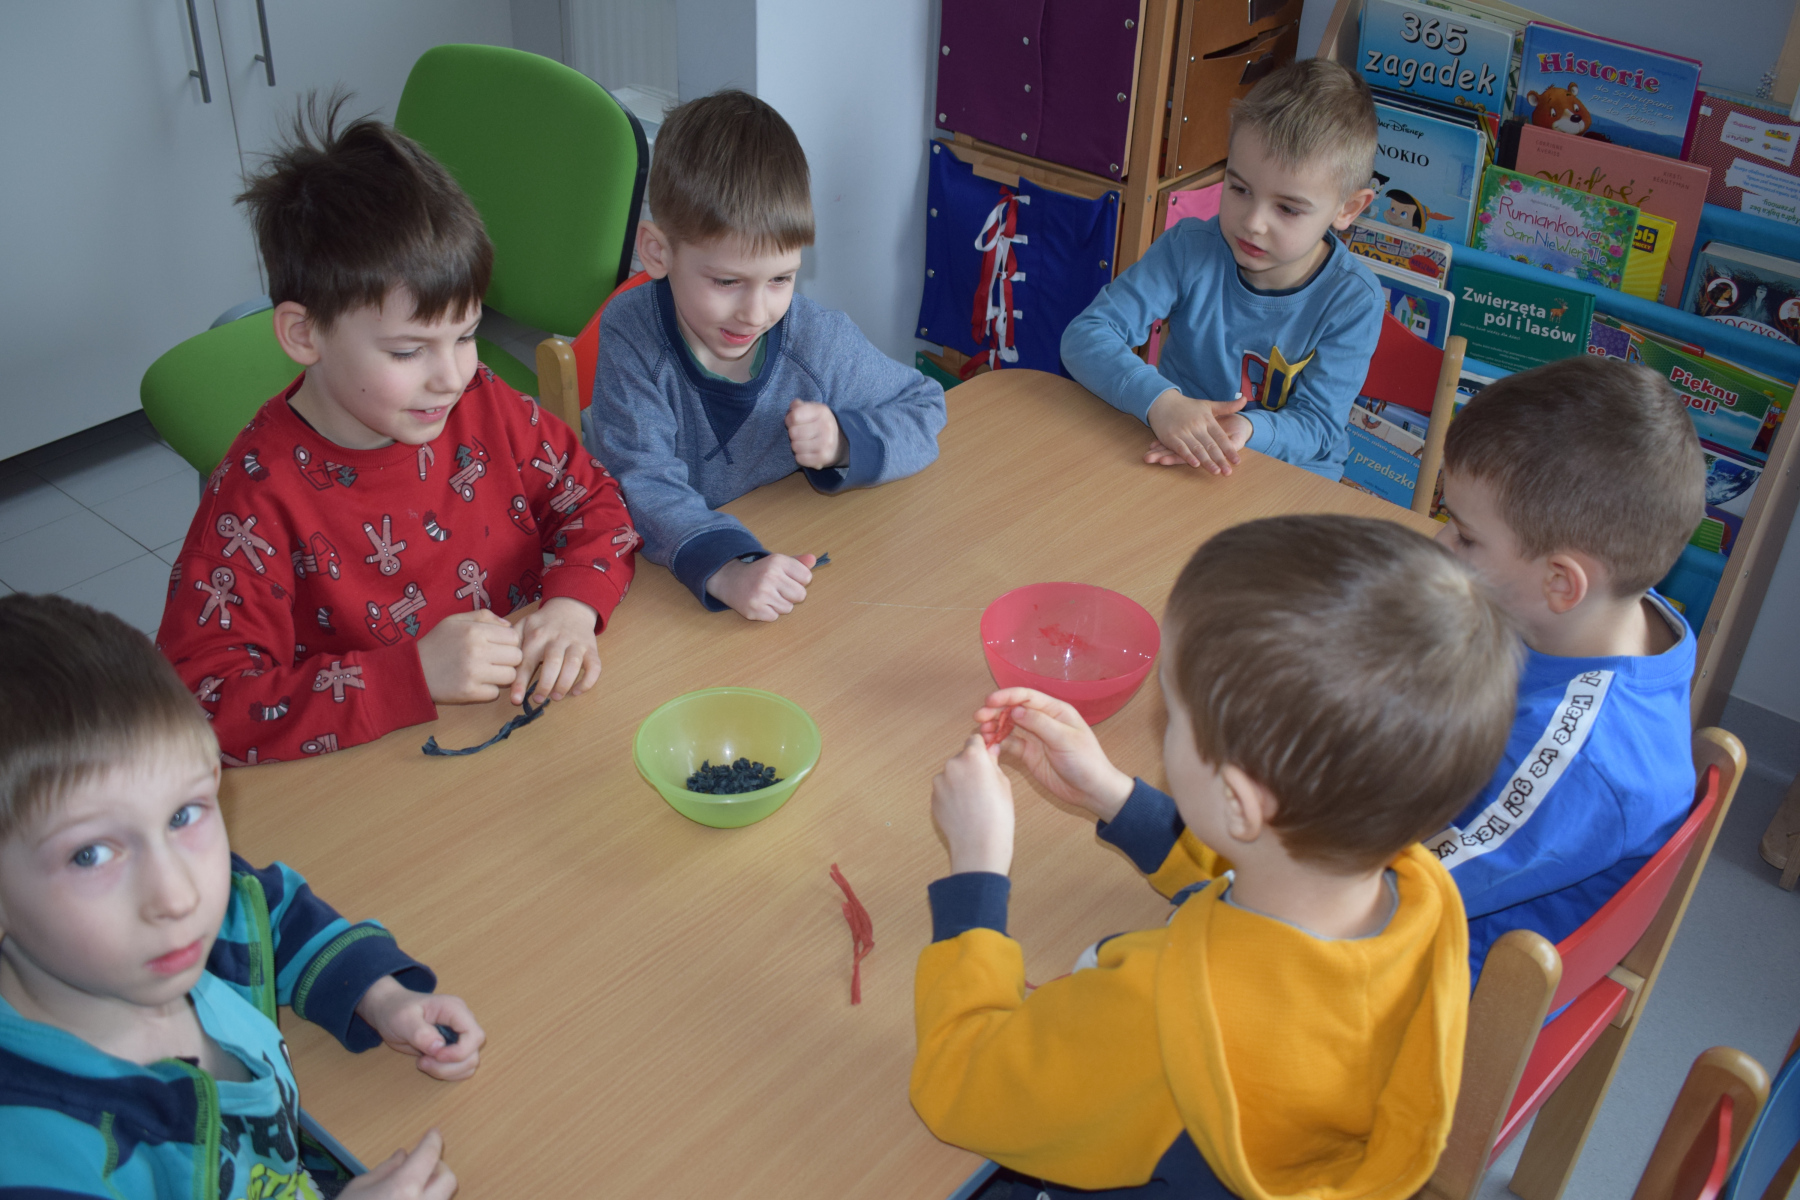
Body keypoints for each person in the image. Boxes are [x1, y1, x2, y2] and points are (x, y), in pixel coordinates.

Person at [914, 515, 1519, 1199]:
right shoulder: (1420, 894)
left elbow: (959, 1083)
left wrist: (976, 874)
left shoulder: (1163, 1013)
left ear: (1237, 799)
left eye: (1173, 715)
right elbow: (1264, 870)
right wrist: (1116, 798)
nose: (1160, 725)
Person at [155, 99, 637, 766]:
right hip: (378, 776)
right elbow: (203, 705)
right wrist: (409, 675)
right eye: (408, 351)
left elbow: (594, 502)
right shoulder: (256, 501)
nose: (452, 377)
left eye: (466, 334)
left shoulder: (482, 402)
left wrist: (573, 607)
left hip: (518, 746)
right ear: (304, 334)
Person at [0, 594, 482, 1198]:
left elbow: (271, 913)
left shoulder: (186, 926)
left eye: (183, 815)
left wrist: (377, 994)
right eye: (90, 854)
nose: (178, 895)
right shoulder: (40, 1157)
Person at [585, 89, 946, 621]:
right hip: (668, 587)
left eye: (780, 279)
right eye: (727, 281)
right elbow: (640, 482)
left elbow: (924, 404)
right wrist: (730, 566)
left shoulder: (815, 339)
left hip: (791, 553)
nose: (756, 313)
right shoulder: (633, 332)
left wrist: (845, 442)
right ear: (658, 252)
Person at [1431, 355, 1706, 979]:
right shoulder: (1621, 617)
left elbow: (1395, 893)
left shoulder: (1578, 757)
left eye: (1465, 536)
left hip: (1448, 979)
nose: (1441, 544)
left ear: (1562, 582)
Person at [1060, 59, 1384, 480]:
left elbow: (1318, 426)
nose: (1253, 222)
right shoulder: (1188, 248)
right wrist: (1160, 401)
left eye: (1287, 208)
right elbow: (1086, 336)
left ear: (1348, 208)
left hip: (1289, 474)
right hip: (1176, 448)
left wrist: (1247, 428)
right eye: (1240, 189)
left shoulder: (1354, 299)